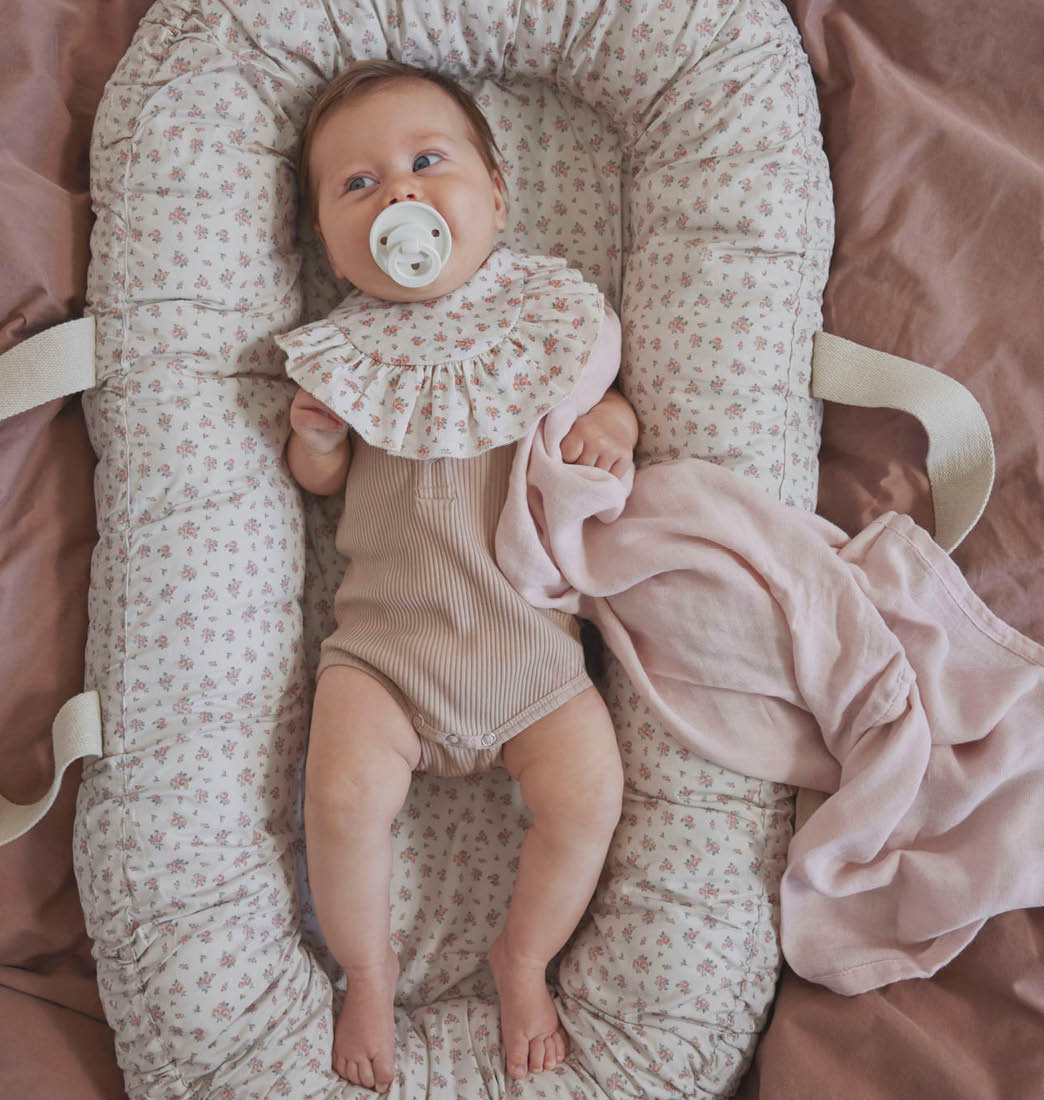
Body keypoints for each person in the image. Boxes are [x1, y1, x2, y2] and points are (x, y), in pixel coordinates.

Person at [277, 59, 636, 1093]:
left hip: (533, 656)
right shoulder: (346, 354)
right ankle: (368, 968)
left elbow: (602, 402)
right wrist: (316, 440)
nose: (398, 191)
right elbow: (316, 483)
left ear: (497, 198)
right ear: (329, 243)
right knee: (340, 797)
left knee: (589, 794)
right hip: (383, 656)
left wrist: (613, 427)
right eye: (357, 184)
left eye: (427, 162)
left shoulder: (543, 318)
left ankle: (522, 954)